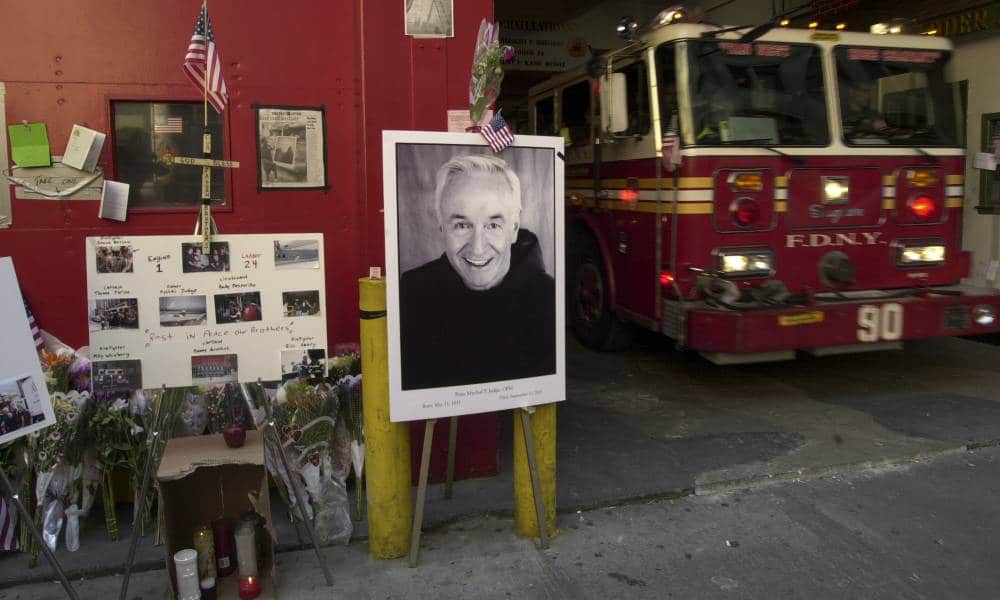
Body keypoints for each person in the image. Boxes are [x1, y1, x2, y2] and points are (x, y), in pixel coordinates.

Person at [399, 155, 555, 390]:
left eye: (493, 225)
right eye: (462, 225)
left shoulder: (548, 299)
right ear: (441, 226)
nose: (478, 247)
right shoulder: (413, 292)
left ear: (513, 228)